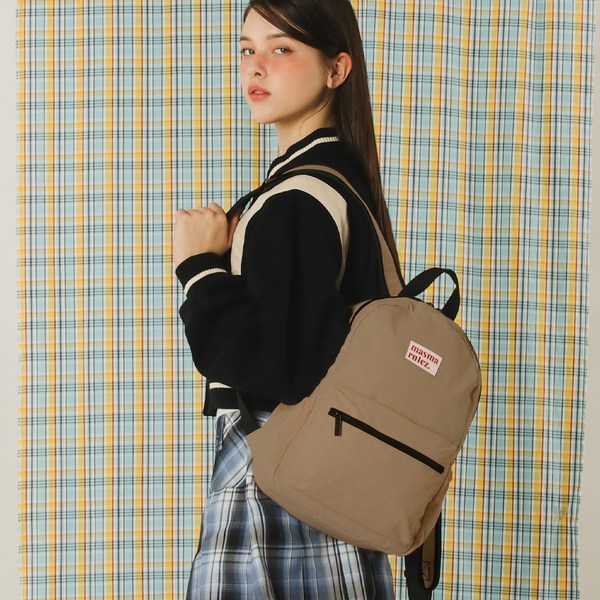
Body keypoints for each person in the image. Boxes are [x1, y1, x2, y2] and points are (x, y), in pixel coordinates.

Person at [173, 0, 402, 597]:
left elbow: (275, 364)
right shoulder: (336, 183)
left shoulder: (298, 199)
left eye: (282, 48)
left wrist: (198, 267)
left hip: (280, 486)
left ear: (337, 69)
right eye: (247, 49)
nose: (256, 66)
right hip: (326, 481)